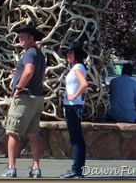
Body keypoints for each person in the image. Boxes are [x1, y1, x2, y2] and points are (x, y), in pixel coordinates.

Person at [2, 24, 46, 178]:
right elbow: (41, 76)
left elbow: (29, 70)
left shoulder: (29, 53)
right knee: (33, 134)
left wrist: (19, 87)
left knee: (13, 132)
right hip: (37, 97)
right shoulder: (39, 54)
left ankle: (11, 168)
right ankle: (36, 168)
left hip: (25, 98)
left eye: (23, 36)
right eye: (19, 36)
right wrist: (18, 73)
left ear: (31, 38)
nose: (19, 39)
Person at [59, 41, 89, 179]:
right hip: (72, 105)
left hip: (73, 105)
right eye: (67, 53)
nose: (68, 55)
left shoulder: (77, 66)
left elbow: (84, 84)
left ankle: (76, 170)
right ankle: (78, 170)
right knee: (77, 138)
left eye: (70, 52)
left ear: (76, 54)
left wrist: (75, 95)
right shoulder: (77, 67)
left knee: (76, 139)